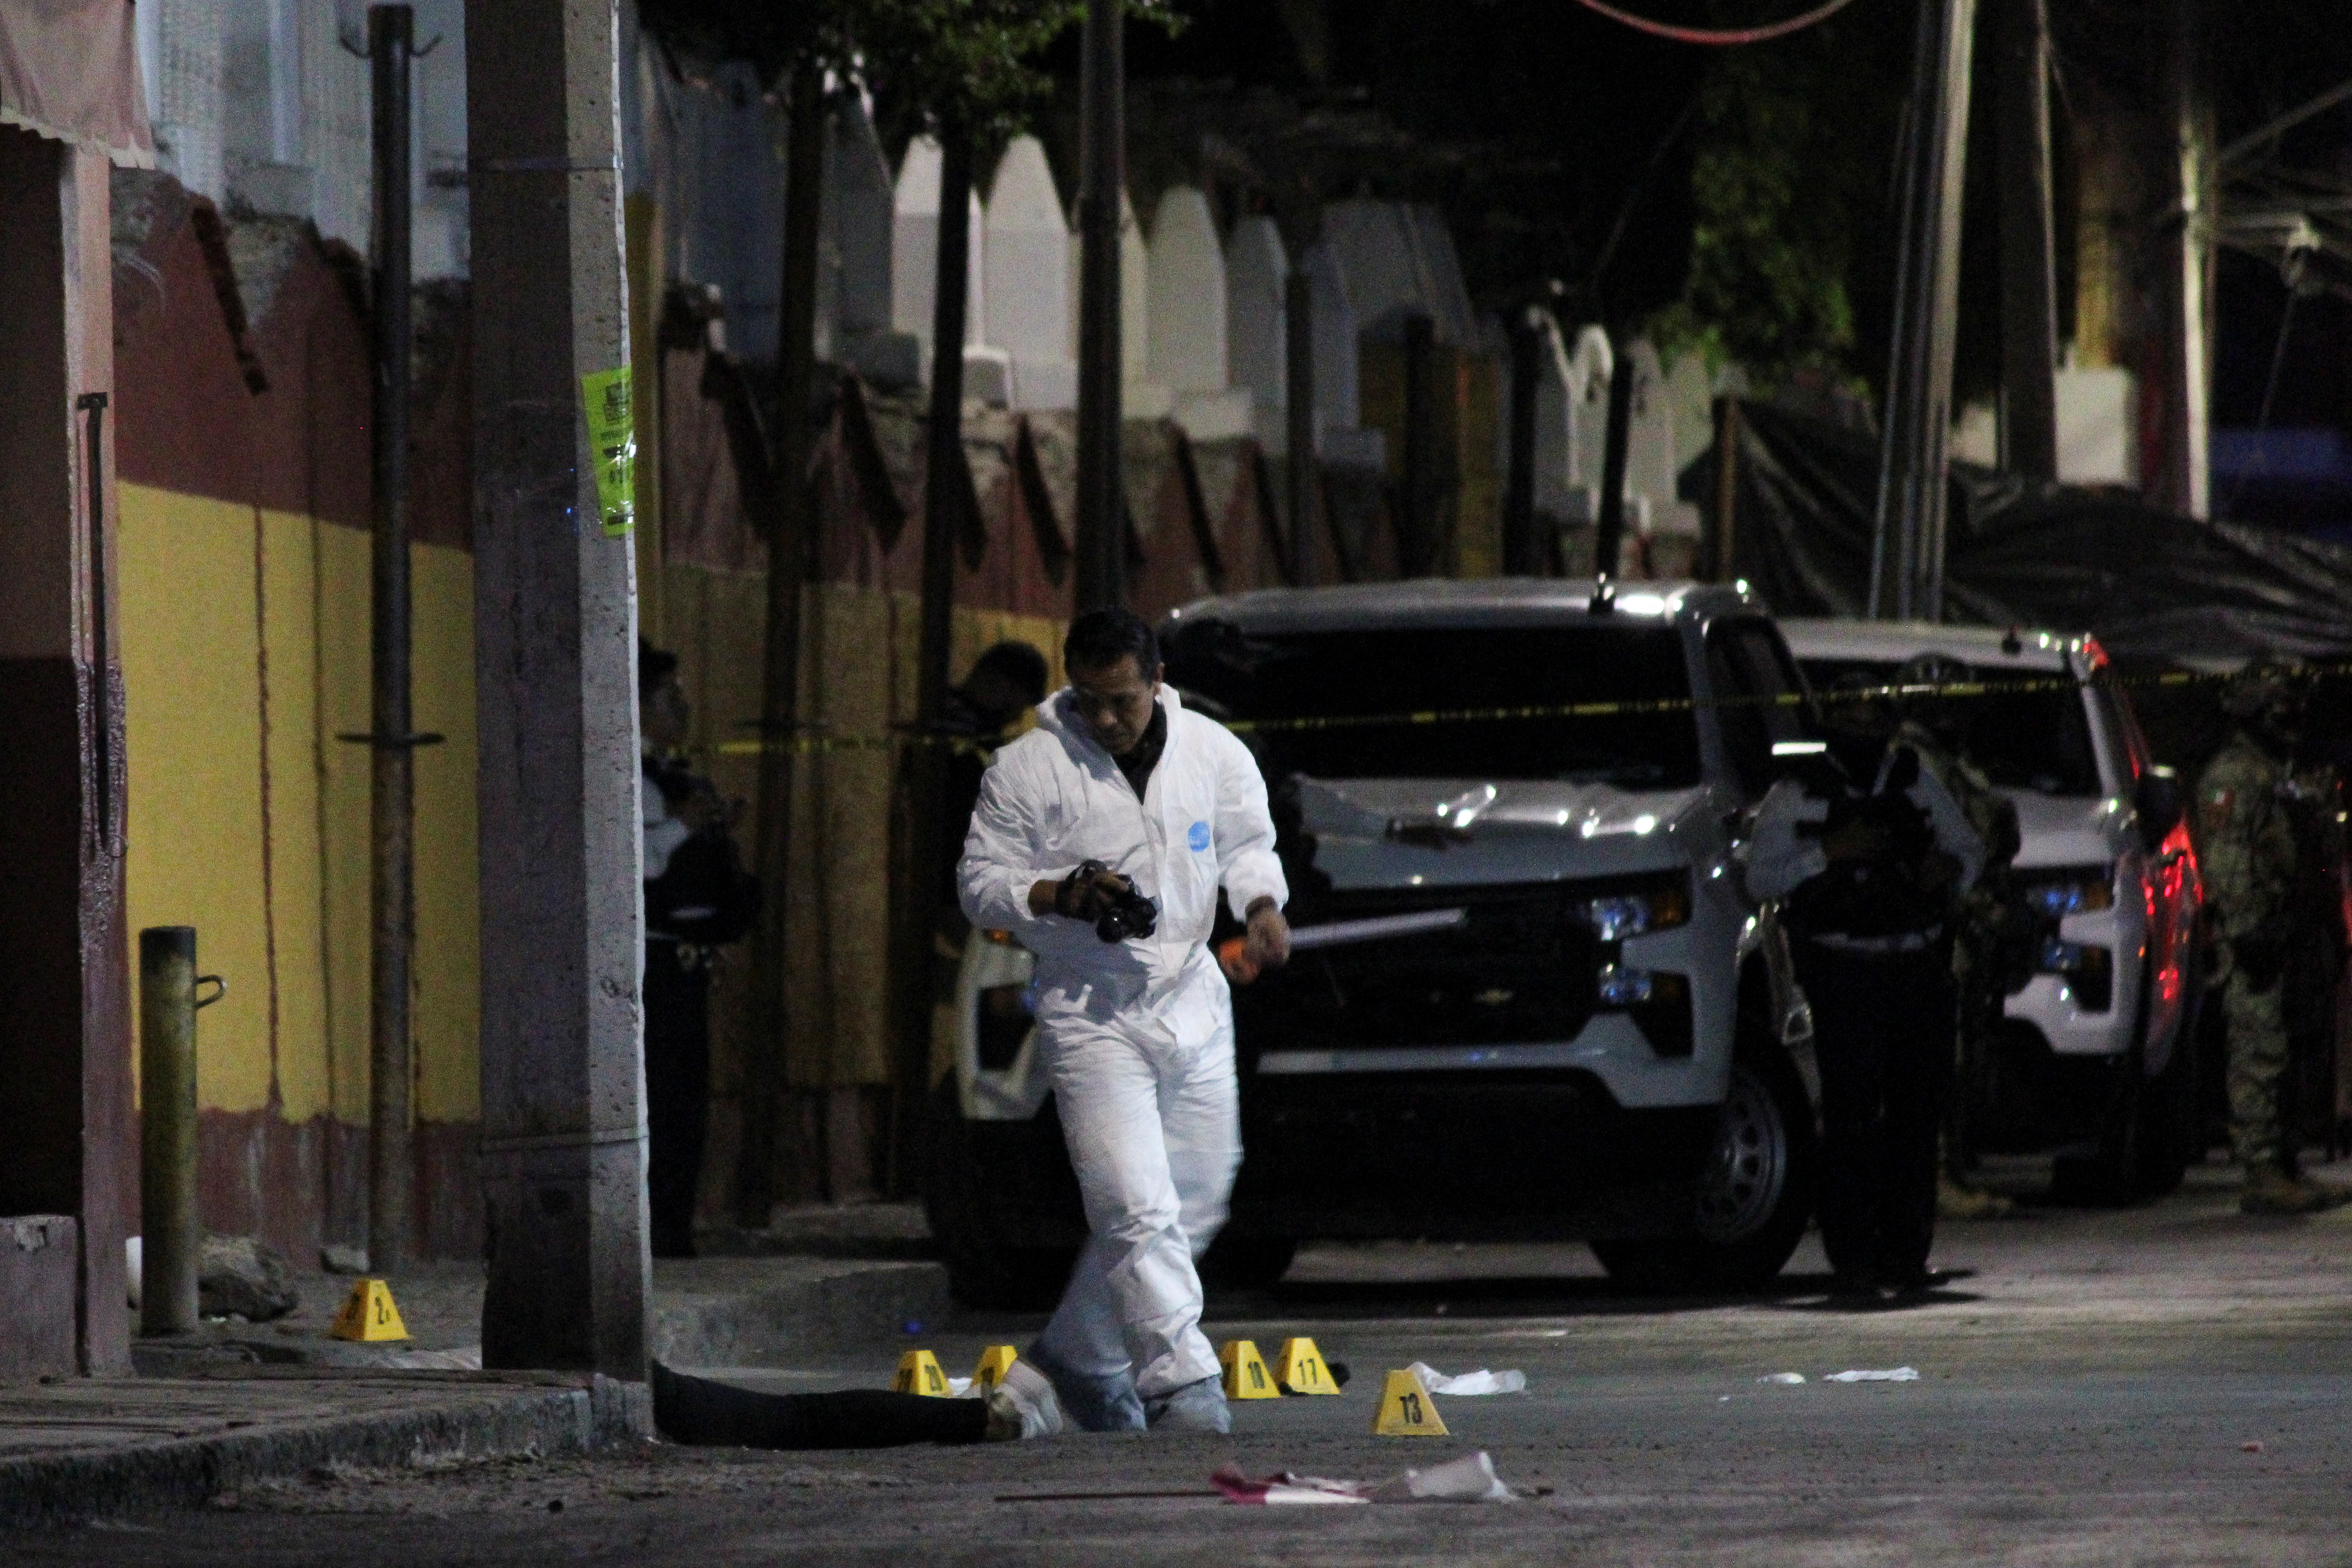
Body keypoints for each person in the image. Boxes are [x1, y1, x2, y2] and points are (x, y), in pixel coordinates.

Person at [957, 607, 1292, 1433]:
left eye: (1123, 701)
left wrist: (1261, 906)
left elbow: (1248, 842)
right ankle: (1180, 1381)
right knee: (1132, 1202)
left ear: (1158, 682)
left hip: (1193, 996)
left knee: (1199, 1193)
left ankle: (1079, 1361)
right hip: (1089, 1010)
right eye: (1090, 699)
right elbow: (979, 884)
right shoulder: (1026, 769)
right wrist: (1057, 894)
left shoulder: (1214, 751)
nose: (1106, 719)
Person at [1746, 684, 1984, 1298]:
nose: (1864, 731)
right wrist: (1826, 852)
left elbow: (1968, 849)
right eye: (1850, 718)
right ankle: (1852, 1259)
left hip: (1914, 964)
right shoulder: (1798, 792)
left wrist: (1945, 870)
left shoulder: (1913, 778)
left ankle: (1906, 1256)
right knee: (1852, 1119)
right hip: (1842, 971)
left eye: (1873, 718)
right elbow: (1760, 876)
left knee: (1915, 1117)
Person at [2196, 660, 2346, 1215]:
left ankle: (2284, 1162)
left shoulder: (2278, 772)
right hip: (2258, 935)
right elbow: (2228, 859)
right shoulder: (2236, 775)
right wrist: (2247, 929)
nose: (2293, 718)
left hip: (2290, 932)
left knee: (2291, 1050)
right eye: (2281, 707)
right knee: (2260, 1051)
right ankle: (2261, 1170)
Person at [1890, 654, 2030, 1222]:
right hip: (1938, 930)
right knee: (1935, 1058)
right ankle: (1933, 1175)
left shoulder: (1949, 761)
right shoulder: (1915, 763)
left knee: (1960, 1055)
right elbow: (1937, 853)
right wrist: (1974, 908)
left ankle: (1947, 1169)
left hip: (1963, 929)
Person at [640, 641, 759, 1258]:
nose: (682, 708)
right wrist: (682, 828)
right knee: (660, 1098)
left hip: (687, 960)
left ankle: (673, 1227)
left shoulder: (674, 775)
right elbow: (635, 864)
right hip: (651, 962)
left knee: (686, 1102)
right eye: (668, 697)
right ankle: (653, 1230)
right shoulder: (628, 777)